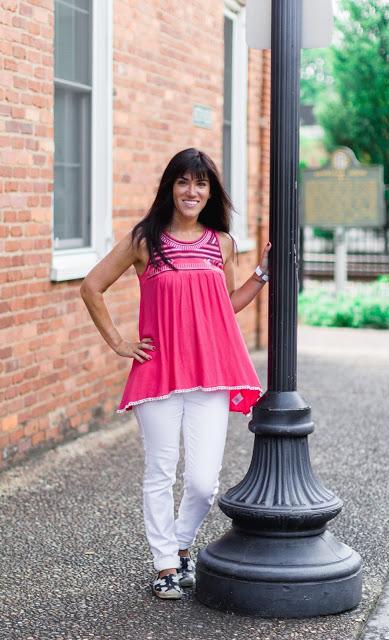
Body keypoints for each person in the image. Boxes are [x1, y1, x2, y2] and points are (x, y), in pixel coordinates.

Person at [80, 148, 271, 600]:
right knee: (160, 472)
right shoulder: (145, 239)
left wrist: (263, 272)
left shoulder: (220, 242)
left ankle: (180, 547)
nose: (192, 191)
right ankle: (165, 564)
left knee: (204, 484)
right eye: (183, 182)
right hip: (158, 374)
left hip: (208, 374)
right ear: (171, 187)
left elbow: (226, 305)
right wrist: (120, 343)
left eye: (200, 183)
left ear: (210, 192)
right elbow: (91, 286)